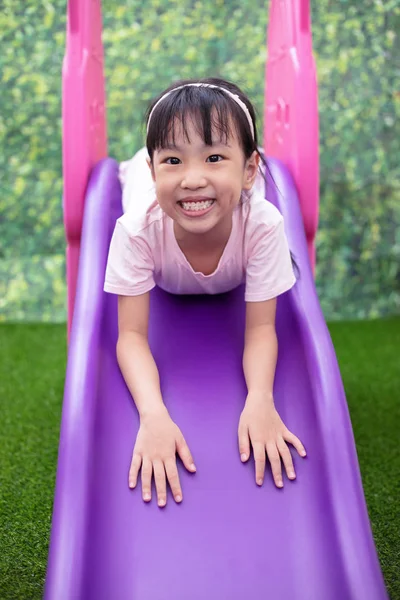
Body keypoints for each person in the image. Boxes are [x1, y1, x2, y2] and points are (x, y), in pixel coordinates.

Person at [104, 77, 307, 507]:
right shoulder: (137, 229)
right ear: (156, 169)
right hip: (145, 197)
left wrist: (260, 398)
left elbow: (261, 331)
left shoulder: (263, 225)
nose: (193, 179)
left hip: (242, 202)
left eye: (214, 157)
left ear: (250, 170)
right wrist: (153, 414)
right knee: (141, 184)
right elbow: (132, 337)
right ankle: (148, 159)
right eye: (173, 160)